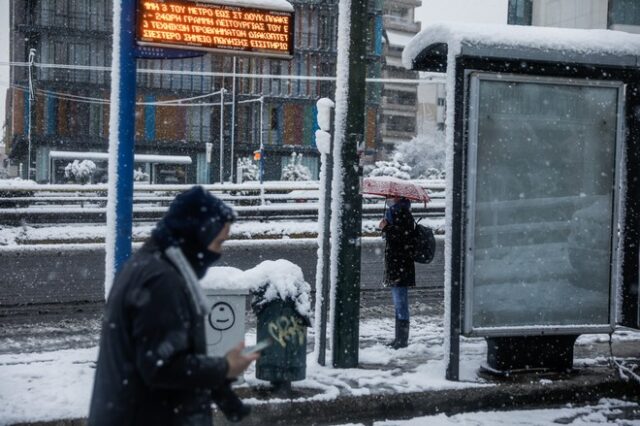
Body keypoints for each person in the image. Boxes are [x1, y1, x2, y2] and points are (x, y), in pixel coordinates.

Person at [89, 186, 258, 426]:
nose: (219, 253)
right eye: (218, 243)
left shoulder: (155, 267)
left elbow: (172, 356)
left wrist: (222, 391)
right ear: (197, 236)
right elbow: (161, 367)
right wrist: (224, 367)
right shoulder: (161, 281)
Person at [379, 197, 415, 349]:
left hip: (398, 264)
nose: (387, 199)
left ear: (397, 197)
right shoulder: (404, 211)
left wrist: (385, 228)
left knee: (400, 302)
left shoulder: (397, 212)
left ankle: (401, 340)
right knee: (400, 302)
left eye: (390, 196)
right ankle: (399, 338)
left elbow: (400, 237)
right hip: (402, 263)